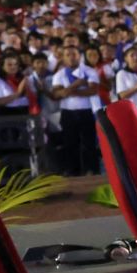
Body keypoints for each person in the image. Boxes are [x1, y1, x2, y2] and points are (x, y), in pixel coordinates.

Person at [49, 44, 100, 175]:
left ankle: (92, 170)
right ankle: (73, 171)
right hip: (68, 113)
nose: (71, 57)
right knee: (70, 143)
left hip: (87, 111)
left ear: (79, 56)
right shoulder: (59, 75)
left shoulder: (89, 71)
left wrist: (67, 91)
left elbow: (93, 90)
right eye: (68, 55)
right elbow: (56, 95)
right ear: (63, 58)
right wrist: (77, 84)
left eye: (74, 54)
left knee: (89, 143)